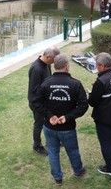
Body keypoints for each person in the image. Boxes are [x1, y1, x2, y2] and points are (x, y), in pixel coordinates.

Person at [32, 54, 88, 185]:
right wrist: (67, 117)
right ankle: (78, 171)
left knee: (53, 152)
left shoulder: (46, 83)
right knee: (72, 150)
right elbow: (83, 105)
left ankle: (58, 178)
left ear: (54, 66)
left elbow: (36, 102)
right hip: (66, 128)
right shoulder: (75, 84)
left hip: (50, 126)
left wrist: (49, 116)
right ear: (67, 66)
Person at [28, 46, 61, 156]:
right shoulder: (36, 69)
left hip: (46, 100)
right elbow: (34, 90)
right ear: (48, 57)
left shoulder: (47, 64)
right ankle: (37, 146)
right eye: (54, 60)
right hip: (37, 103)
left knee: (49, 120)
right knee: (39, 123)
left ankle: (50, 141)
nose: (55, 63)